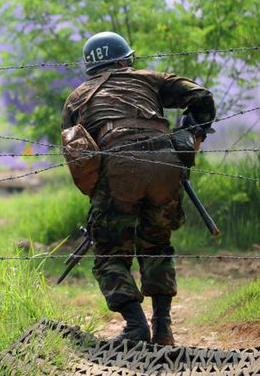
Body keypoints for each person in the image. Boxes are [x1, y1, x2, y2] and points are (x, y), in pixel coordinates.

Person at [61, 31, 215, 345]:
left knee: (109, 253)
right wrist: (189, 136)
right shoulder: (149, 79)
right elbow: (201, 97)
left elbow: (74, 149)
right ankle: (162, 327)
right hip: (165, 163)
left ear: (91, 67)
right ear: (125, 59)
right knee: (156, 246)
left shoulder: (76, 97)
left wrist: (100, 189)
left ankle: (135, 326)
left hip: (117, 170)